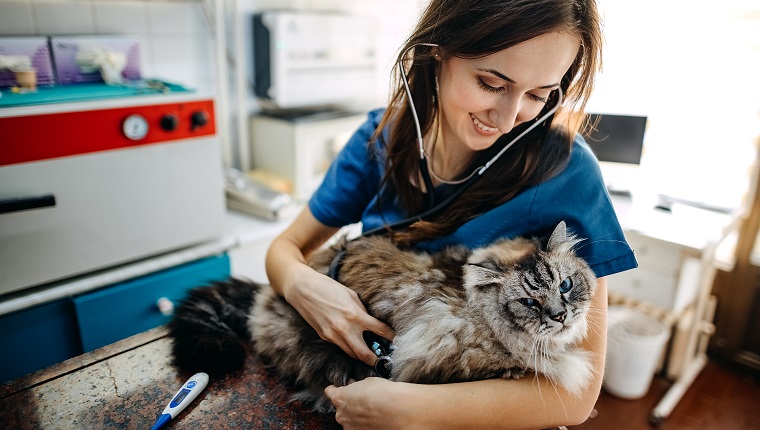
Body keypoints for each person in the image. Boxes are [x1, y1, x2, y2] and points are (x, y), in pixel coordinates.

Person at [265, 0, 637, 428]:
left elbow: (573, 397)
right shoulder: (382, 139)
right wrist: (303, 286)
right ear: (438, 49)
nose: (508, 118)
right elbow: (285, 248)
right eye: (491, 83)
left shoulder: (569, 175)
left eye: (538, 94)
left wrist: (406, 409)